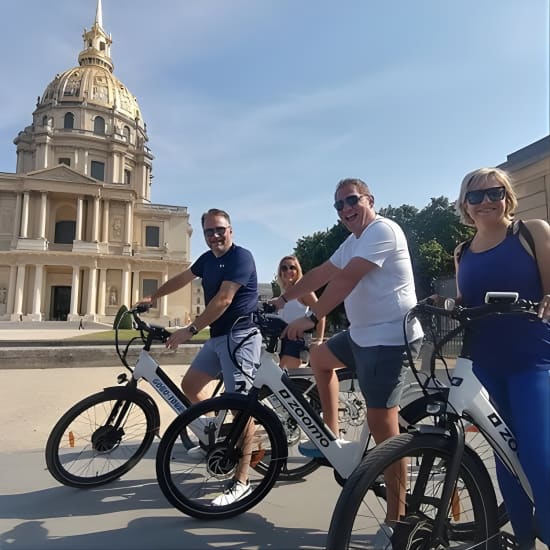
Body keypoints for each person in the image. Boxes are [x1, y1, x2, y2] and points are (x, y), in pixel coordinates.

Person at [272, 178, 423, 537]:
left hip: (390, 339)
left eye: (351, 201)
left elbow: (346, 281)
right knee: (321, 360)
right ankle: (332, 438)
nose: (345, 210)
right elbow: (323, 273)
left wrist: (309, 317)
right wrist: (280, 300)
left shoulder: (382, 230)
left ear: (370, 200)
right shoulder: (353, 239)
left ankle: (396, 522)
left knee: (383, 429)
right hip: (360, 335)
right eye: (338, 206)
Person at [137, 208, 261, 506]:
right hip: (218, 337)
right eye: (209, 232)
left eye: (220, 230)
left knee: (239, 406)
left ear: (230, 230)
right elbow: (182, 278)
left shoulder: (240, 257)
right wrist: (153, 296)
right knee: (191, 386)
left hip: (240, 337)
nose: (215, 236)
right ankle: (211, 433)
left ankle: (242, 481)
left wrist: (189, 330)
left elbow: (224, 299)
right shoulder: (207, 260)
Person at [454, 167, 550, 549]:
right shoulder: (462, 252)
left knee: (538, 456)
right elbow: (465, 303)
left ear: (507, 196)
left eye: (494, 193)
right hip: (486, 365)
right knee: (506, 460)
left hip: (533, 360)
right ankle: (521, 540)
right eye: (475, 196)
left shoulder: (532, 233)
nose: (485, 202)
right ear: (465, 205)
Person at [275, 255, 325, 369]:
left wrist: (319, 340)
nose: (288, 271)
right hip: (283, 340)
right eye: (284, 268)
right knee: (281, 377)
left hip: (297, 340)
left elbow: (321, 312)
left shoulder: (304, 291)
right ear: (280, 272)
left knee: (289, 378)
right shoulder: (283, 294)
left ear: (298, 271)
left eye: (292, 267)